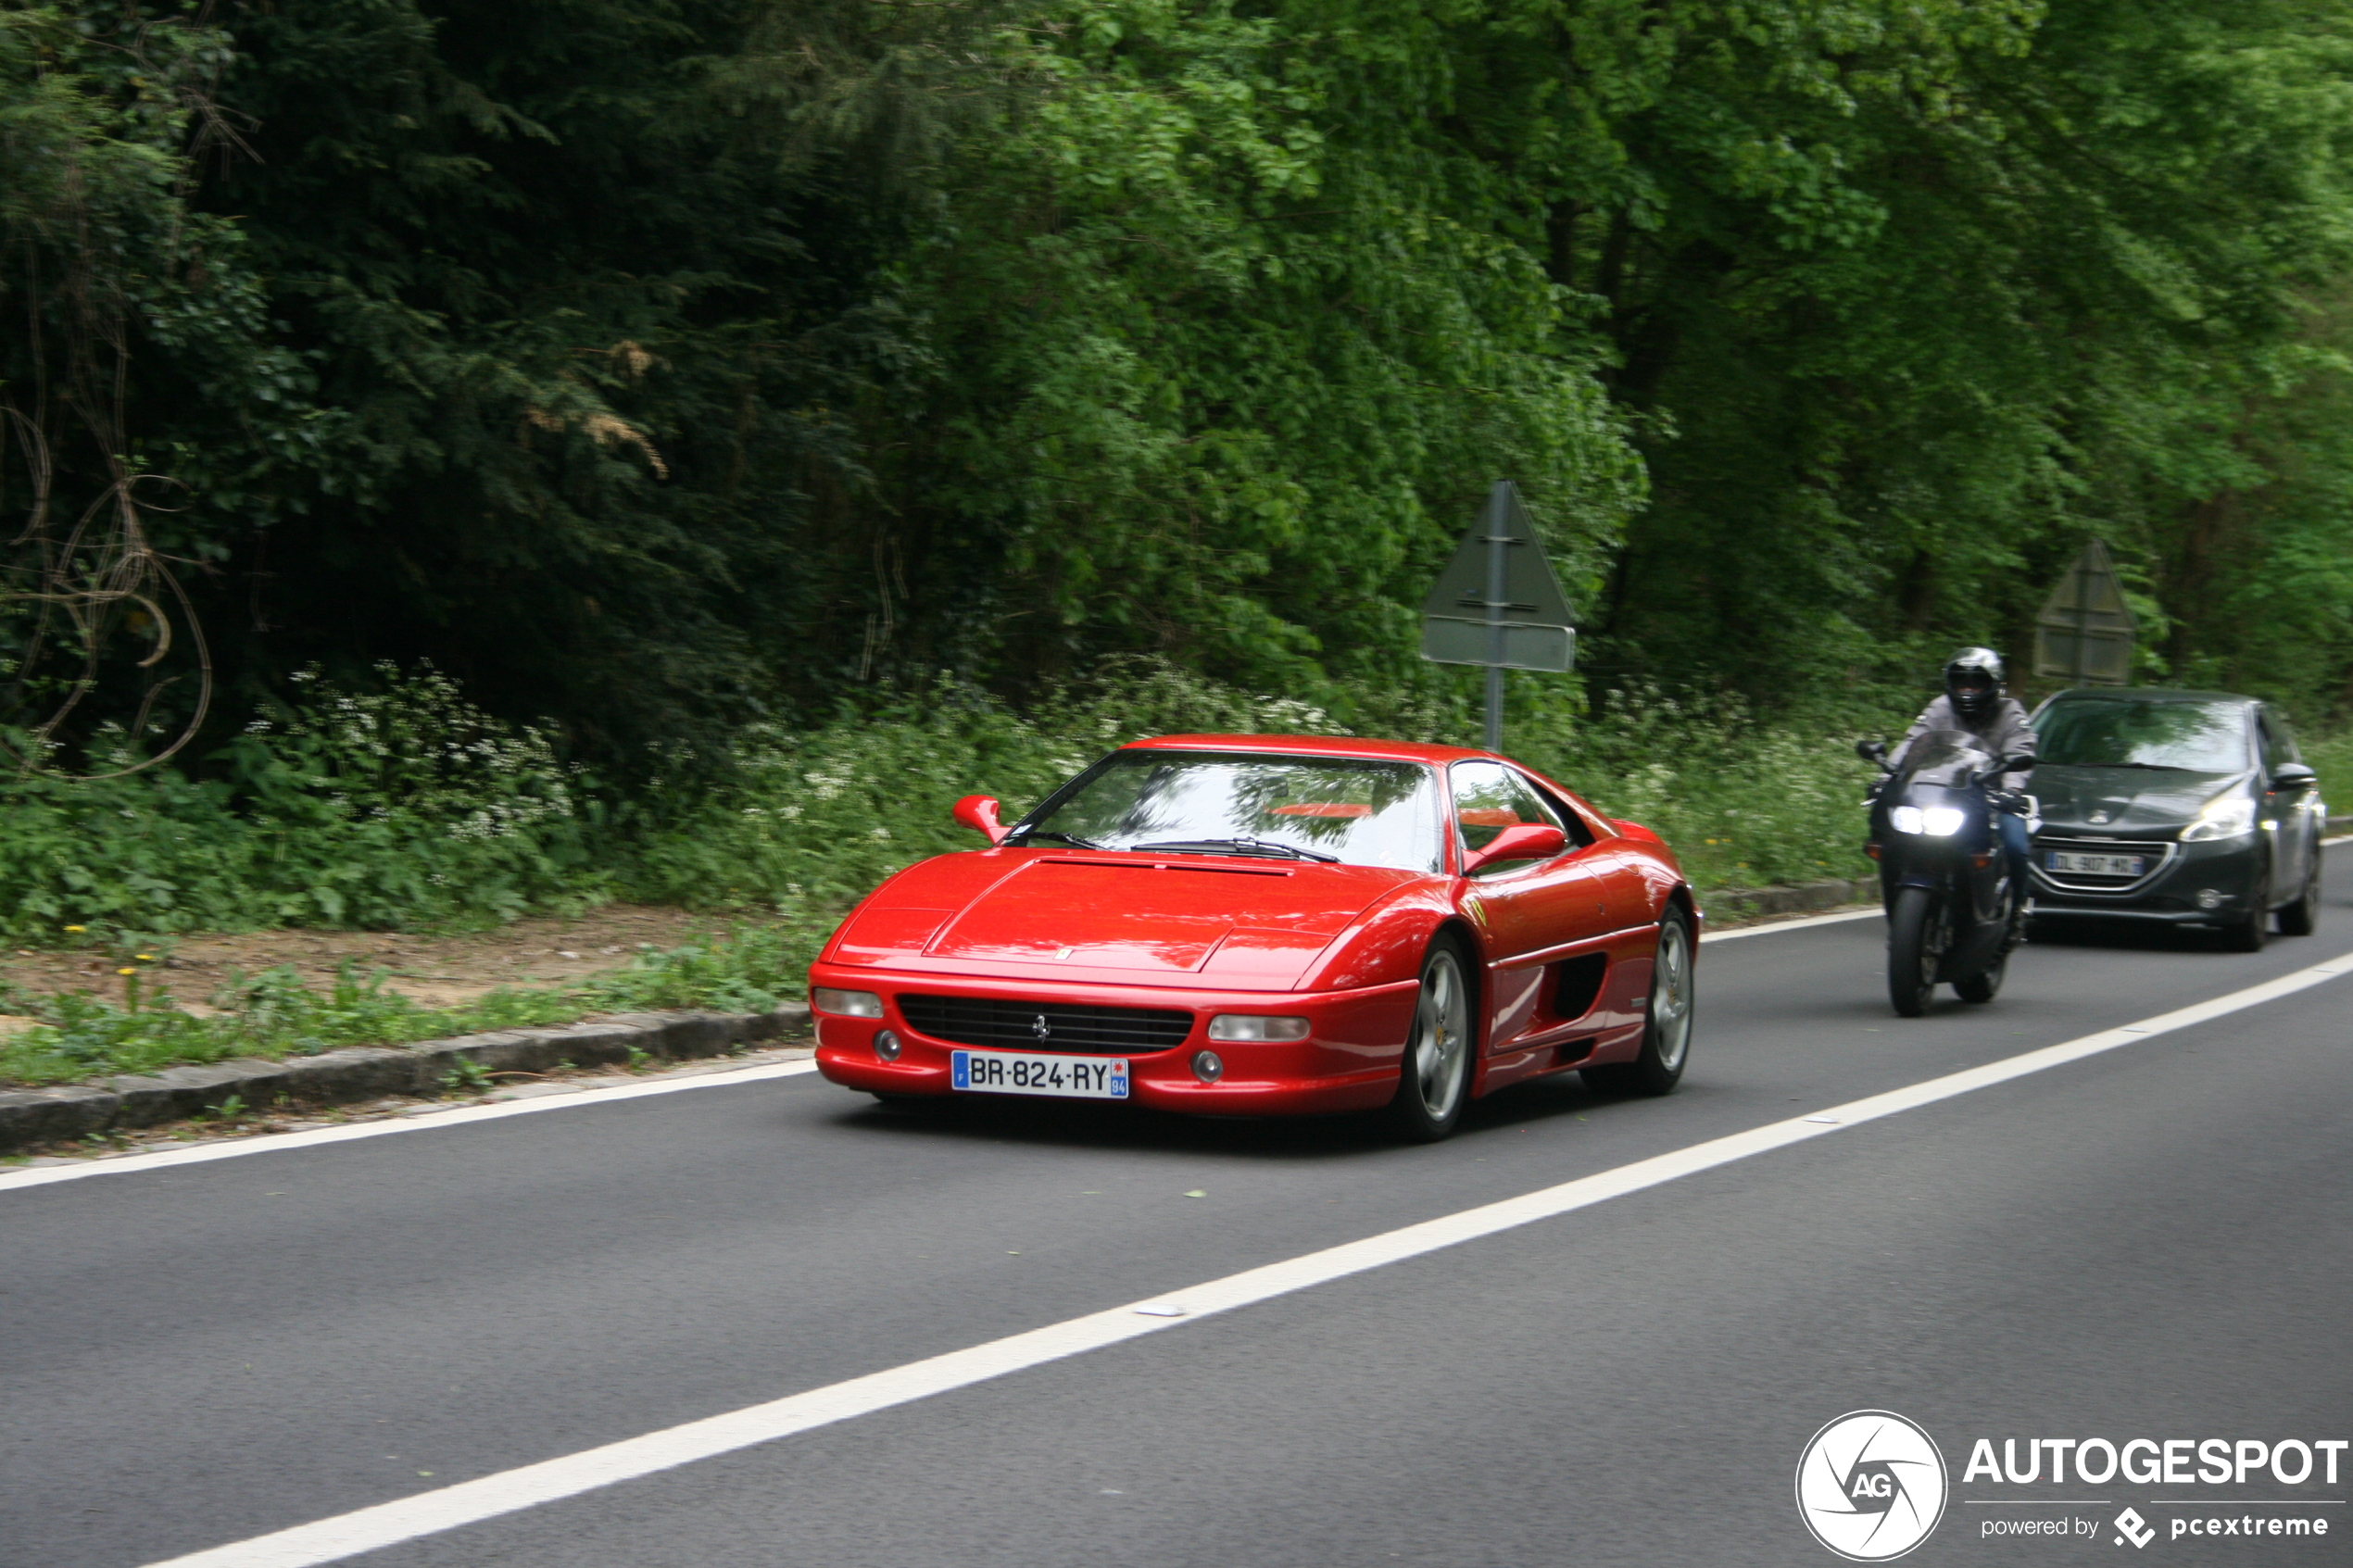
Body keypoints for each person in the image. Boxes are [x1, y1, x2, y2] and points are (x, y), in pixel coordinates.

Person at [1891, 646, 2036, 904]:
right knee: (1892, 837)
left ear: (1993, 685)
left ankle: (2018, 907)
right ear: (1950, 684)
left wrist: (2011, 792)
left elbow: (2021, 750)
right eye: (1961, 682)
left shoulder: (2010, 713)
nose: (1967, 690)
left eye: (1976, 683)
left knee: (2014, 845)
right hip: (1943, 793)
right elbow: (1913, 741)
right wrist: (1890, 772)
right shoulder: (1940, 707)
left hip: (1991, 795)